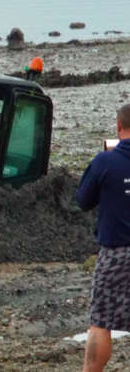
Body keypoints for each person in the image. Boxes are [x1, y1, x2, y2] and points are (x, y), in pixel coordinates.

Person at [75, 103, 130, 371]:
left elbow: (82, 201)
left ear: (118, 127)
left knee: (101, 321)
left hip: (116, 252)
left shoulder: (104, 162)